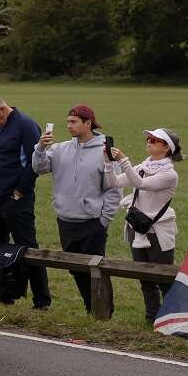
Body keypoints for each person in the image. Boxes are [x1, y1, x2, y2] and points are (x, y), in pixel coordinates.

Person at [33, 104, 122, 313]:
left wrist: (104, 220)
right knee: (75, 269)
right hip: (65, 220)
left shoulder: (105, 152)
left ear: (88, 123)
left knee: (96, 270)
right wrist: (40, 148)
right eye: (67, 122)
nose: (69, 126)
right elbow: (38, 168)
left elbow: (114, 188)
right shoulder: (61, 148)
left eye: (73, 122)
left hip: (92, 222)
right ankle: (90, 307)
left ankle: (104, 311)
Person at [0, 95, 51, 309]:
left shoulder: (26, 126)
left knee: (28, 246)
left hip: (16, 200)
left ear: (2, 108)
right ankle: (3, 292)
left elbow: (34, 163)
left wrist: (19, 192)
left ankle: (41, 299)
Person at [105, 128, 182, 323]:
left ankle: (173, 319)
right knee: (144, 278)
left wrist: (123, 161)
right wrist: (107, 162)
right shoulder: (143, 166)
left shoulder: (169, 174)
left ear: (166, 148)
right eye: (148, 138)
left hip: (158, 231)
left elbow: (141, 184)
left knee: (163, 278)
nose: (149, 141)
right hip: (137, 227)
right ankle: (152, 317)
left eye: (155, 140)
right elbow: (113, 182)